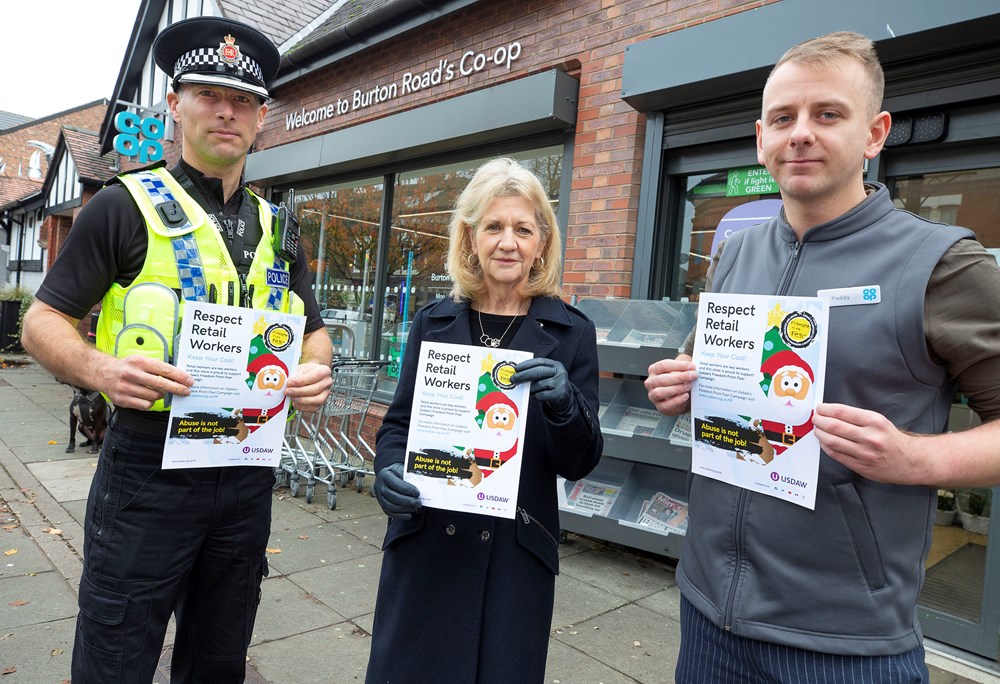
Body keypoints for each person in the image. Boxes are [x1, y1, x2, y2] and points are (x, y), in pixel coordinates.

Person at [645, 31, 1000, 683]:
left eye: (827, 114)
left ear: (874, 133)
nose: (800, 133)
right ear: (761, 138)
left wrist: (920, 458)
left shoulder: (943, 263)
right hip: (705, 615)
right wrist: (681, 382)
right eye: (783, 118)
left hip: (845, 645)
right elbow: (709, 369)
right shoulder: (733, 255)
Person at [21, 16, 333, 683]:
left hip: (246, 473)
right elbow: (41, 322)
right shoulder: (121, 207)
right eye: (209, 93)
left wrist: (316, 370)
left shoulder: (281, 230)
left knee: (219, 662)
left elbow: (313, 330)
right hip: (147, 473)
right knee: (116, 657)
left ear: (261, 116)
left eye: (244, 100)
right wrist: (100, 367)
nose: (227, 110)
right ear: (176, 102)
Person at [366, 157, 604, 683]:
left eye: (523, 229)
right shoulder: (434, 321)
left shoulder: (570, 333)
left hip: (514, 563)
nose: (507, 242)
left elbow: (581, 462)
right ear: (470, 237)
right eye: (494, 227)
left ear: (542, 242)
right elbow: (397, 426)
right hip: (428, 548)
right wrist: (387, 472)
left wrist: (565, 407)